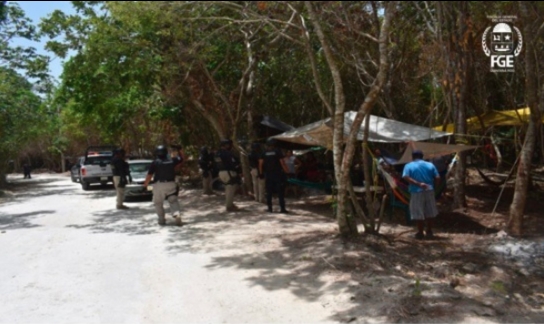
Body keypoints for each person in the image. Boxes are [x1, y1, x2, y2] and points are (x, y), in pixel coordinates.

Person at [402, 149, 440, 240]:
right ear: (422, 156)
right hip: (429, 190)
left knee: (418, 212)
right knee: (430, 211)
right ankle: (429, 231)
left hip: (416, 191)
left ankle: (420, 233)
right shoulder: (430, 165)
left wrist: (418, 184)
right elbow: (438, 178)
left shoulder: (408, 165)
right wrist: (434, 187)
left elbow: (405, 177)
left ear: (413, 157)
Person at [143, 145, 184, 226]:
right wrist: (180, 149)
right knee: (173, 200)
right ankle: (177, 214)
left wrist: (145, 184)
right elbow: (182, 158)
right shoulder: (172, 160)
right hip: (171, 184)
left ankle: (161, 219)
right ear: (166, 152)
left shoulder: (155, 162)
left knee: (158, 203)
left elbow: (149, 175)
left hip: (159, 185)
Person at [259, 139, 289, 213]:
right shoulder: (277, 152)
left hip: (268, 174)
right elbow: (282, 163)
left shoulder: (264, 153)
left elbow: (260, 164)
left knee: (269, 192)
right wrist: (287, 171)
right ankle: (282, 208)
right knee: (280, 191)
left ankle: (270, 208)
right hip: (278, 174)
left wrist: (261, 173)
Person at [215, 139, 241, 212]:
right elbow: (233, 163)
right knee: (231, 189)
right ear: (225, 145)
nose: (229, 146)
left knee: (228, 189)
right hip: (228, 172)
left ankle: (230, 204)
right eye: (228, 145)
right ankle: (229, 206)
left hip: (221, 173)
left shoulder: (217, 153)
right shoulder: (227, 153)